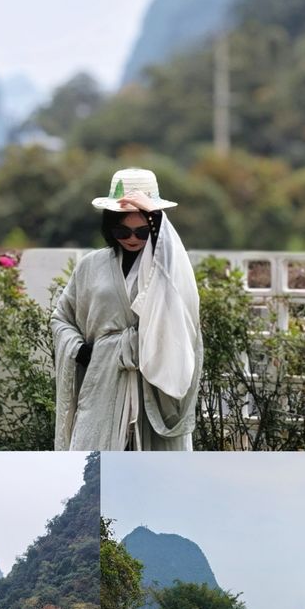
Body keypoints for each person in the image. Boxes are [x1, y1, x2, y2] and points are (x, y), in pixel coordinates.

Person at [52, 167, 202, 451]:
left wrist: (157, 221)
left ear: (155, 228)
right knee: (94, 461)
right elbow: (62, 317)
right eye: (122, 230)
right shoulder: (90, 266)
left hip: (154, 379)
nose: (132, 238)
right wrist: (80, 350)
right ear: (109, 227)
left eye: (143, 231)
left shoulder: (167, 270)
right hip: (103, 377)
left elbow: (184, 310)